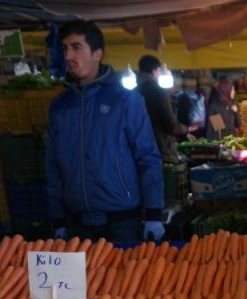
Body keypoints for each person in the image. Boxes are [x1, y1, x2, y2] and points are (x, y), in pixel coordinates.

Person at [46, 21, 165, 243]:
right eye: (64, 49)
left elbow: (148, 157)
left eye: (76, 47)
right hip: (76, 225)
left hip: (122, 222)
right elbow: (53, 165)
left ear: (97, 53)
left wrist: (153, 214)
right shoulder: (59, 107)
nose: (68, 55)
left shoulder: (126, 100)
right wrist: (58, 219)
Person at [136, 55, 195, 164]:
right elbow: (170, 125)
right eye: (159, 71)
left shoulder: (132, 93)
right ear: (155, 71)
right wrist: (186, 129)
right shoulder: (158, 92)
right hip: (160, 150)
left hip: (138, 150)